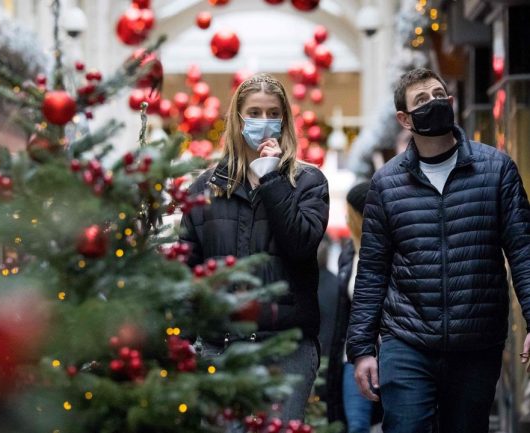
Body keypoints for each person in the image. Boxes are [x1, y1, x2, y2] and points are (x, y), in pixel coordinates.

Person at [346, 67, 530, 433]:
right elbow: (372, 271)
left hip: (475, 339)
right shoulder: (386, 183)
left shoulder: (496, 170)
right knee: (406, 426)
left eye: (438, 95)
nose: (433, 103)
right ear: (404, 119)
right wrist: (362, 349)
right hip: (406, 339)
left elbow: (523, 250)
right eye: (421, 100)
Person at [179, 73, 330, 422]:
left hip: (286, 350)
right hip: (222, 348)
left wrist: (271, 178)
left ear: (286, 119)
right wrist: (183, 340)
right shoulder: (206, 188)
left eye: (272, 113)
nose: (264, 122)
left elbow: (301, 244)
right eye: (255, 112)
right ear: (238, 118)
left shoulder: (307, 181)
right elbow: (186, 269)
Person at [325, 181, 382, 433]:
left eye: (350, 211)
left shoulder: (390, 253)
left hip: (388, 354)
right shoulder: (348, 252)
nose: (346, 217)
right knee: (356, 425)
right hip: (354, 356)